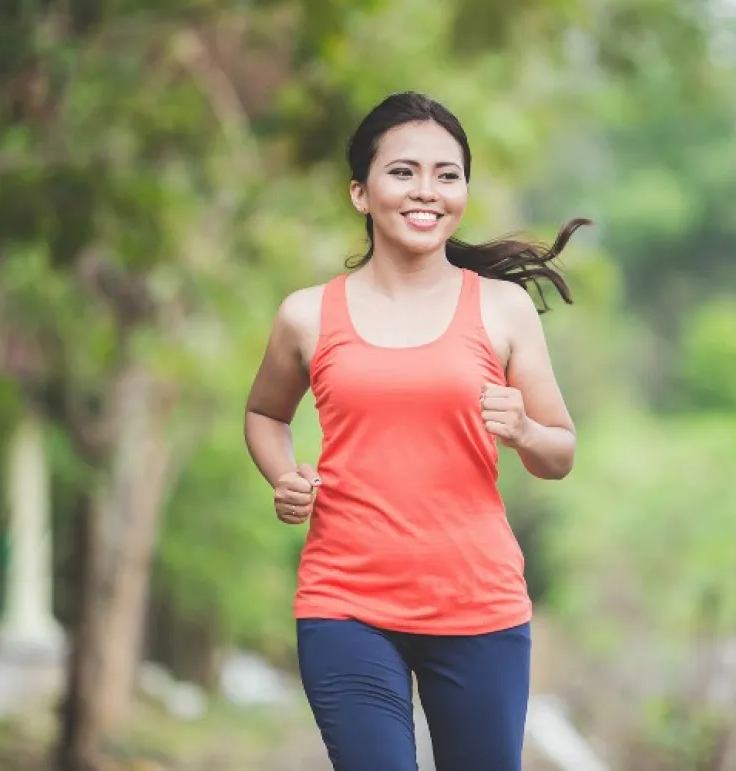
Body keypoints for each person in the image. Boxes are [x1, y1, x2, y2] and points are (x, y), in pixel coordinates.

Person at [243, 91, 589, 771]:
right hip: (346, 603)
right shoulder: (306, 315)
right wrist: (282, 473)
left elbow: (561, 452)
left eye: (447, 174)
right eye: (402, 172)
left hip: (479, 606)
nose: (426, 190)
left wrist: (523, 429)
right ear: (360, 192)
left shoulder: (503, 309)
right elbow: (265, 413)